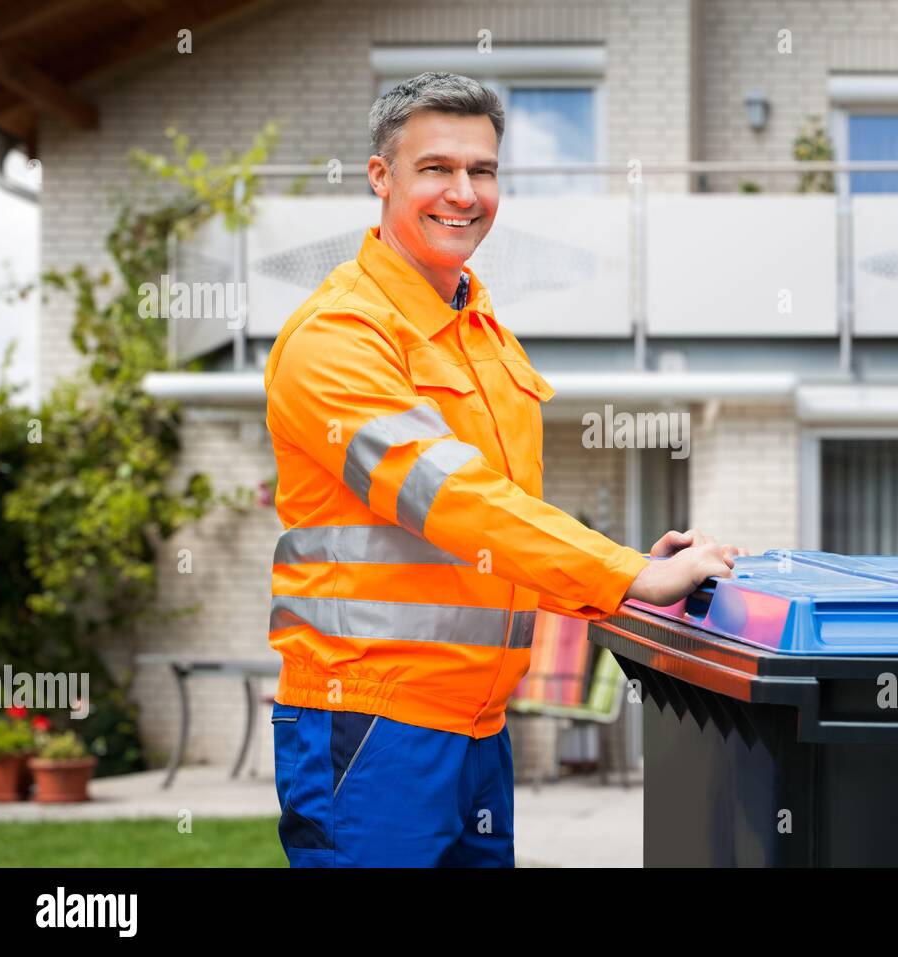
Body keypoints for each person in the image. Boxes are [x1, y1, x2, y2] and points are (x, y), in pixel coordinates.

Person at [263, 72, 744, 867]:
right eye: (436, 169)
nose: (464, 192)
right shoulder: (336, 338)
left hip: (479, 724)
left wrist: (624, 576)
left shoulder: (483, 334)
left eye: (482, 171)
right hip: (372, 725)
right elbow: (455, 502)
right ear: (380, 177)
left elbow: (505, 530)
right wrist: (622, 574)